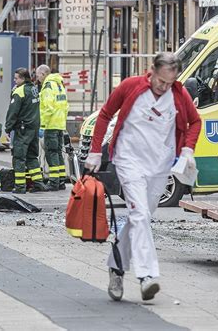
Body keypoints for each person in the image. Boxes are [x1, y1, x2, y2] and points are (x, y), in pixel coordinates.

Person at [85, 52, 201, 302]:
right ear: (151, 71)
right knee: (138, 215)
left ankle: (116, 267)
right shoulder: (130, 87)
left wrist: (188, 150)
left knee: (141, 218)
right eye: (160, 81)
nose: (163, 87)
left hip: (160, 167)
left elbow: (195, 122)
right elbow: (105, 114)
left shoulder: (179, 95)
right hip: (129, 162)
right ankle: (147, 276)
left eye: (169, 83)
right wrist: (95, 151)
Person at [5, 68, 46, 194]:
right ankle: (39, 184)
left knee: (19, 157)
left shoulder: (19, 91)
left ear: (23, 79)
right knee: (32, 156)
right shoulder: (33, 89)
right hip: (34, 128)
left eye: (16, 78)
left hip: (23, 129)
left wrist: (8, 128)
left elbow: (13, 112)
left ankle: (20, 186)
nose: (14, 80)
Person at [36, 64, 69, 191]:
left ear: (43, 74)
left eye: (38, 75)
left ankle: (54, 182)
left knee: (51, 154)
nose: (37, 77)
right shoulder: (59, 85)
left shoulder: (48, 86)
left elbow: (48, 108)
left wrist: (43, 126)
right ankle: (61, 180)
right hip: (60, 124)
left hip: (50, 125)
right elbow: (66, 106)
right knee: (58, 153)